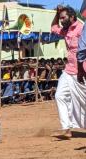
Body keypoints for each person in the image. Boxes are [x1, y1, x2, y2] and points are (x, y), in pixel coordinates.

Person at [51, 6, 85, 138]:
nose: (61, 20)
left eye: (63, 18)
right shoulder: (65, 30)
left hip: (82, 71)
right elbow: (53, 26)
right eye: (61, 18)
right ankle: (67, 128)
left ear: (72, 17)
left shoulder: (82, 28)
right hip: (69, 70)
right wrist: (57, 13)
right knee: (59, 95)